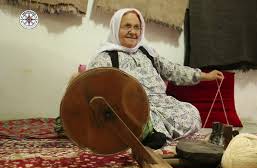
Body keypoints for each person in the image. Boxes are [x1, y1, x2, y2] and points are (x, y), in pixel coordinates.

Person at [87, 8, 224, 144]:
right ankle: (149, 133)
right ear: (116, 28)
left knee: (192, 113)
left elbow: (172, 70)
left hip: (161, 104)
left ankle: (152, 135)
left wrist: (204, 76)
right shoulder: (105, 57)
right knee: (134, 118)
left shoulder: (147, 52)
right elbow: (92, 88)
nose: (133, 32)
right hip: (132, 108)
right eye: (127, 26)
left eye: (137, 27)